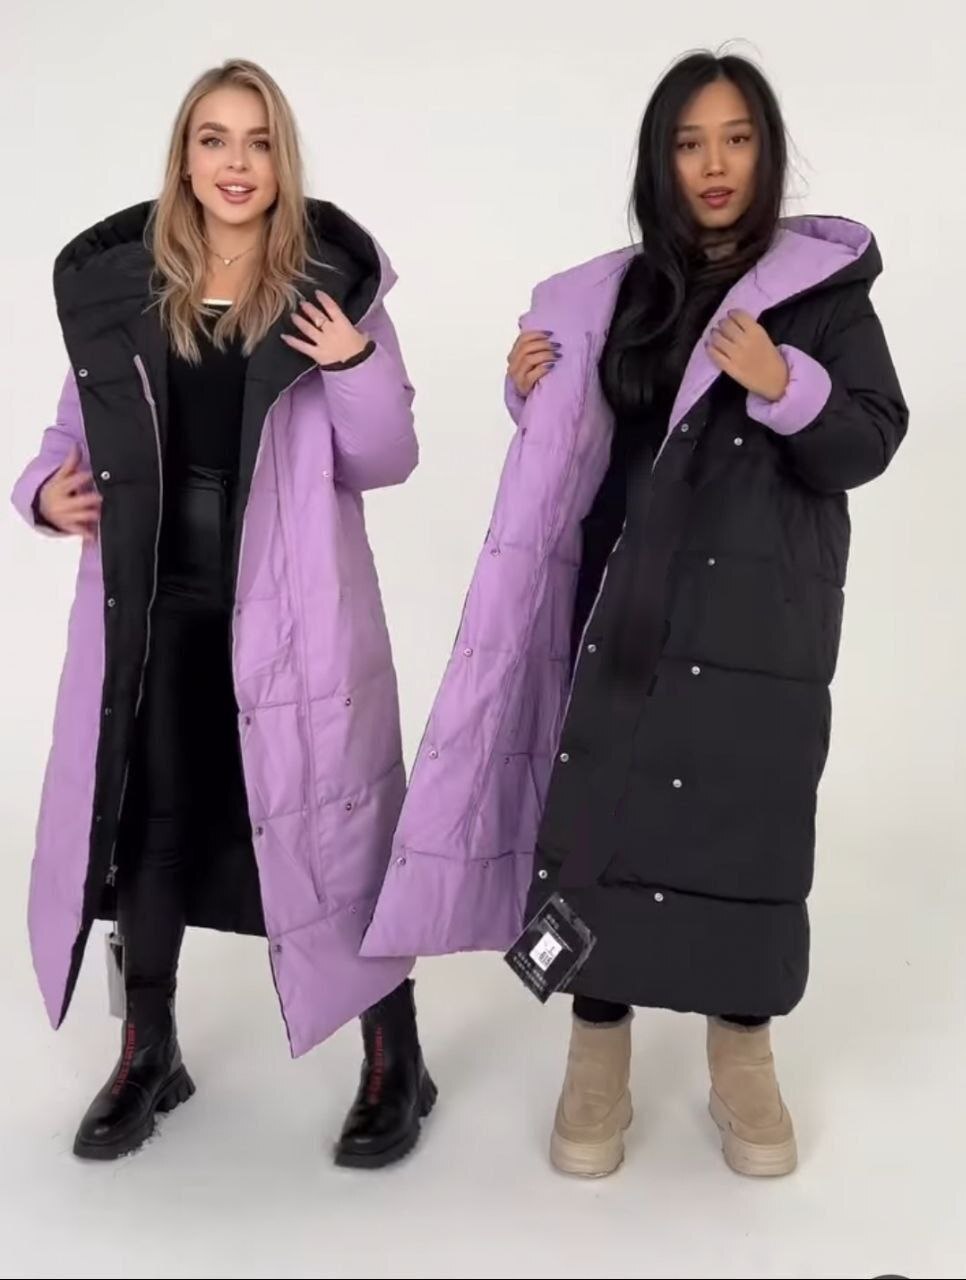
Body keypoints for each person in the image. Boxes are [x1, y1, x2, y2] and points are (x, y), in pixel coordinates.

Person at [363, 51, 907, 1177]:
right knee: (600, 822)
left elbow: (866, 439)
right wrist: (532, 387)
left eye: (737, 139)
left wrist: (781, 379)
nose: (715, 164)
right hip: (622, 604)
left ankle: (742, 1056)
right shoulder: (625, 292)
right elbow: (597, 445)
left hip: (755, 625)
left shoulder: (823, 296)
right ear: (661, 162)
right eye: (689, 143)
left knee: (744, 828)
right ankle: (596, 1049)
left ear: (767, 152)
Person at [12, 58, 436, 1167]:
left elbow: (385, 457)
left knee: (337, 828)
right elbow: (71, 434)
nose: (235, 163)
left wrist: (354, 361)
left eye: (257, 142)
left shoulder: (330, 291)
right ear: (185, 157)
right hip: (156, 609)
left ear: (281, 159)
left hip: (292, 617)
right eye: (214, 139)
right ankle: (148, 1051)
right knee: (148, 827)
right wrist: (42, 493)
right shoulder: (130, 292)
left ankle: (396, 1057)